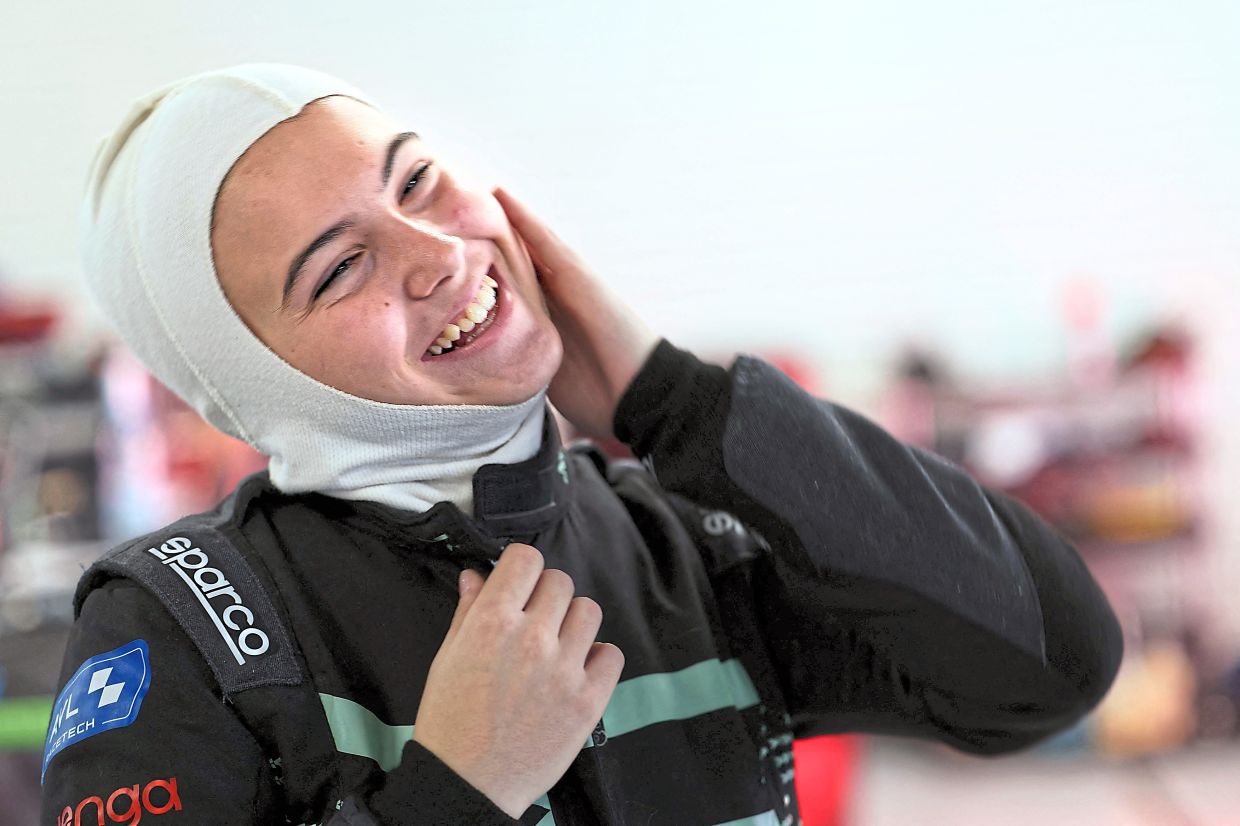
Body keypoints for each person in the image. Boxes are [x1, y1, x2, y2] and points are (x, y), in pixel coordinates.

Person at [41, 64, 1123, 826]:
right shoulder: (182, 619)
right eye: (337, 268)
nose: (436, 254)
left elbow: (1046, 668)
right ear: (248, 384)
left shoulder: (677, 542)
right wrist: (455, 790)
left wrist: (673, 395)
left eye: (416, 179)